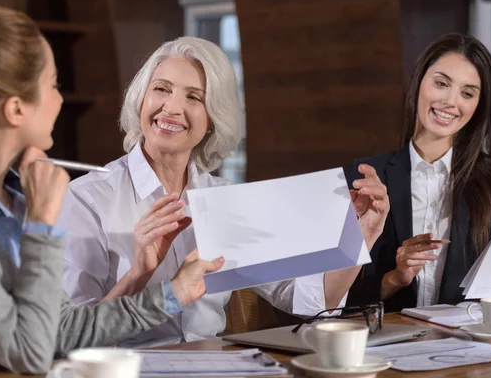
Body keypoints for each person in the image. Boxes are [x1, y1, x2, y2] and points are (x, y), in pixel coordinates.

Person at [0, 7, 224, 377]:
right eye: (53, 85)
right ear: (17, 109)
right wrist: (42, 227)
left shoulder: (11, 203)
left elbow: (63, 331)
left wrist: (175, 291)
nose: (60, 99)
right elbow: (31, 353)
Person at [59, 36, 390, 347]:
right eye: (161, 89)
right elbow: (74, 335)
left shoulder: (225, 199)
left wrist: (357, 239)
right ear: (141, 99)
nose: (172, 108)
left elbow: (305, 299)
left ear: (213, 120)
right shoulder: (87, 198)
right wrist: (137, 274)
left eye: (193, 97)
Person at [345, 32, 491, 313]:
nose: (451, 102)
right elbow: (330, 299)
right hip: (384, 344)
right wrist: (394, 278)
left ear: (478, 106)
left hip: (468, 347)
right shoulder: (364, 177)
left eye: (467, 93)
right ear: (418, 82)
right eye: (441, 83)